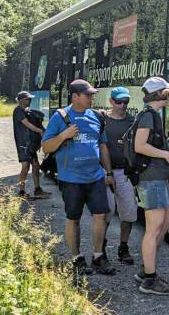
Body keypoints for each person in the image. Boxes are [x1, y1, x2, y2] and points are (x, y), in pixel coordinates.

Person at [41, 79, 116, 277]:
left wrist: (108, 173)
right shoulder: (61, 117)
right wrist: (64, 135)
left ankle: (98, 256)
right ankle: (77, 259)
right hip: (71, 178)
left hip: (96, 177)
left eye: (92, 94)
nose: (92, 98)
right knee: (73, 218)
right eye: (88, 95)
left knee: (101, 215)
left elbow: (102, 146)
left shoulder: (97, 117)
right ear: (75, 96)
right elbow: (46, 147)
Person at [132, 77, 169, 296]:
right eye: (168, 92)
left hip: (158, 178)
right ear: (160, 94)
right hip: (151, 179)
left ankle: (146, 269)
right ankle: (149, 279)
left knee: (166, 222)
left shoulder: (152, 115)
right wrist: (165, 155)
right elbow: (139, 146)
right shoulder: (148, 116)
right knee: (153, 228)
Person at [102, 87, 138, 265]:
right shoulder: (103, 120)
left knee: (129, 212)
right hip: (105, 172)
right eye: (119, 102)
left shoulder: (132, 121)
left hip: (125, 173)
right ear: (111, 102)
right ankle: (100, 246)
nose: (123, 105)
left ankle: (123, 247)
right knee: (106, 211)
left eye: (126, 102)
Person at [12, 91, 50, 199]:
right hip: (23, 144)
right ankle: (21, 192)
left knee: (35, 165)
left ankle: (37, 189)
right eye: (28, 99)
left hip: (30, 144)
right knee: (25, 166)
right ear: (22, 100)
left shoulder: (25, 111)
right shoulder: (18, 111)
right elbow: (27, 124)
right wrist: (40, 131)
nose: (30, 101)